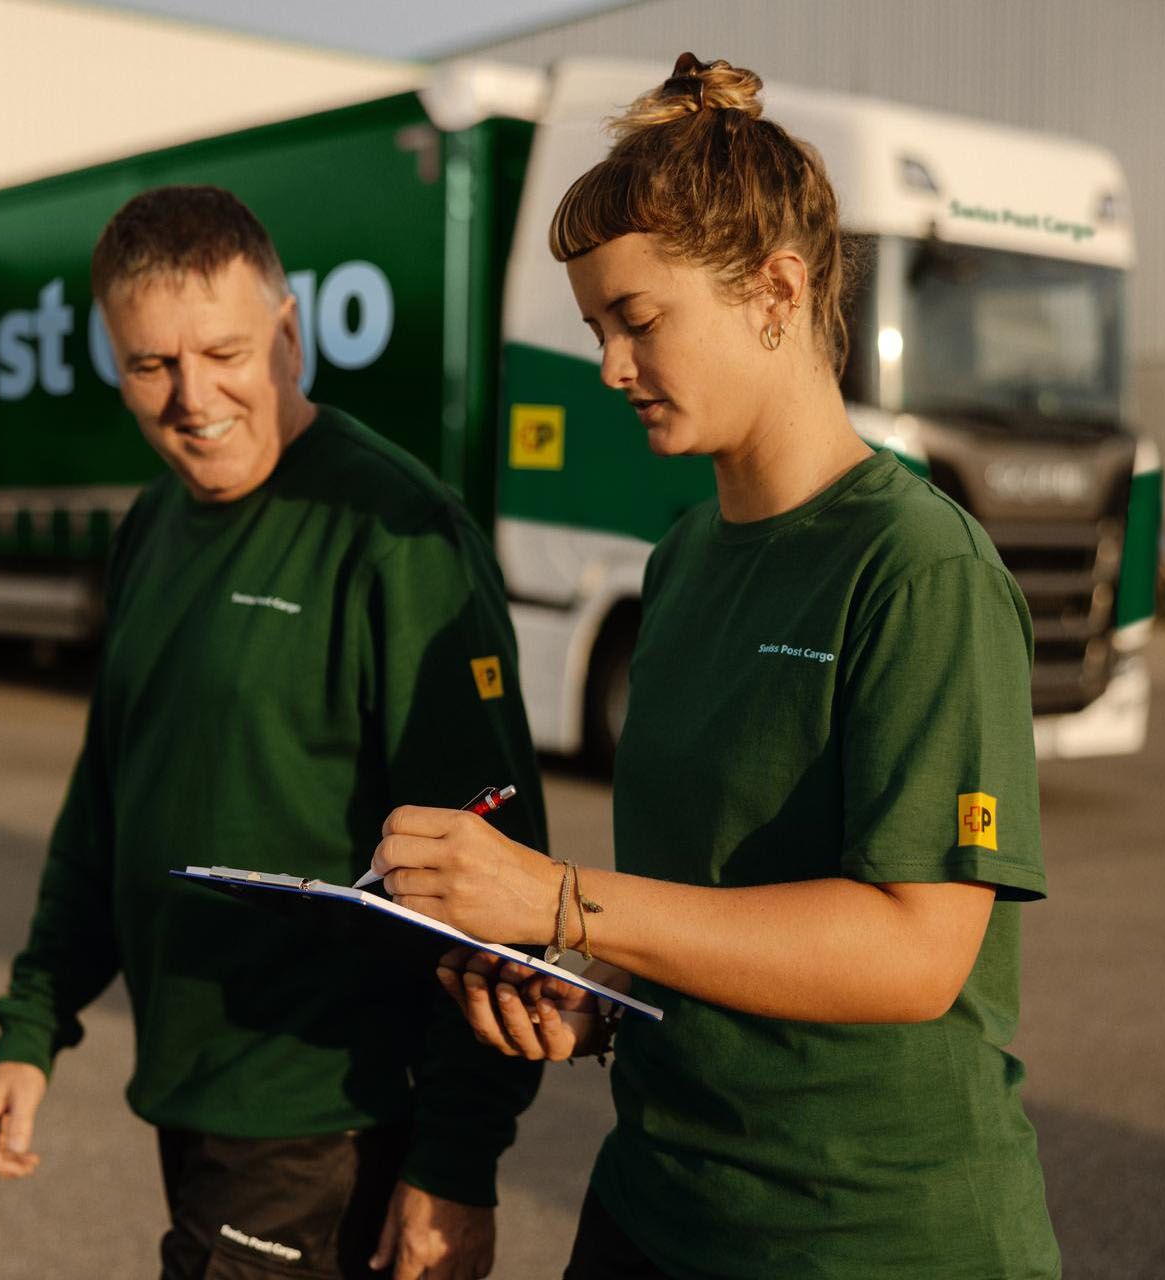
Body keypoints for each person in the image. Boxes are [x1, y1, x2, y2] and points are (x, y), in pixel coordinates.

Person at [368, 55, 1063, 1280]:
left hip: (864, 1236)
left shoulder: (919, 568)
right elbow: (716, 891)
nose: (609, 367)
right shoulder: (683, 558)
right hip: (657, 1200)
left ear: (777, 290)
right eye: (596, 329)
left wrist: (560, 900)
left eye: (638, 321)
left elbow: (916, 952)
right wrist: (595, 985)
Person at [0, 185, 546, 1280]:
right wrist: (31, 1028)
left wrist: (457, 1162)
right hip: (191, 1091)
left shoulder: (399, 536)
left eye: (223, 352)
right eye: (151, 364)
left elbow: (496, 873)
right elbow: (107, 804)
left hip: (329, 1117)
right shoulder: (152, 525)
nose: (193, 398)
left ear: (289, 334)